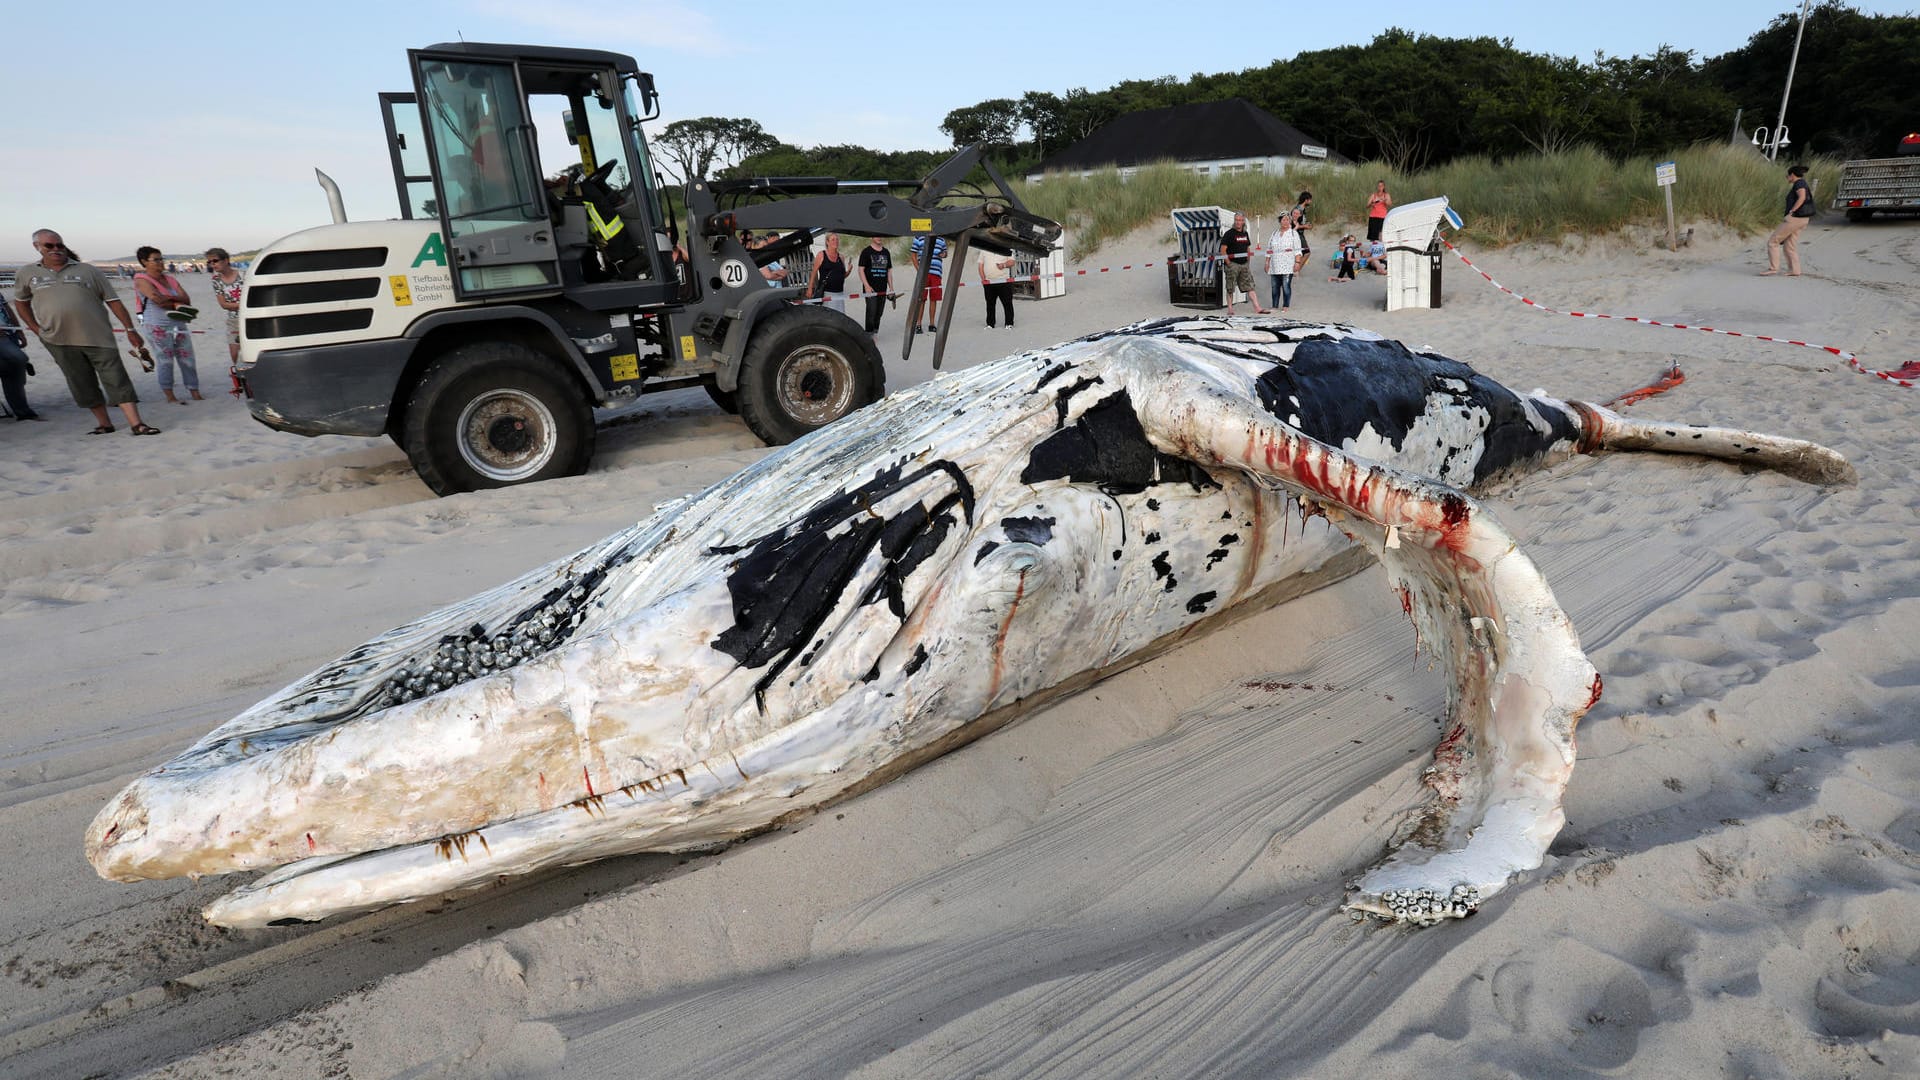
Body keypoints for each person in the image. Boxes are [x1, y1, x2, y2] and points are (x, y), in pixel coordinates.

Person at [133, 246, 201, 403]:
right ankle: (170, 395)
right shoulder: (141, 280)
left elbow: (186, 299)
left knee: (187, 358)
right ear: (144, 262)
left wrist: (168, 298)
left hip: (179, 323)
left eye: (161, 258)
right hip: (157, 325)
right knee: (165, 360)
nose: (160, 262)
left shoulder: (170, 279)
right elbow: (157, 300)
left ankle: (194, 390)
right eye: (155, 260)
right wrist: (175, 300)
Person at [1764, 164, 1815, 277]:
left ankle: (1773, 268)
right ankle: (1795, 270)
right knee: (1789, 245)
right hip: (1803, 219)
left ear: (1792, 175)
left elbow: (1802, 197)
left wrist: (1792, 211)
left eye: (1787, 176)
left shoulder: (1799, 183)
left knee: (1773, 241)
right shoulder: (1802, 183)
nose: (1787, 178)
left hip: (1795, 219)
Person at [206, 247, 245, 393]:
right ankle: (241, 378)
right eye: (210, 262)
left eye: (215, 260)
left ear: (226, 260)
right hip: (234, 319)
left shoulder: (242, 275)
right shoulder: (216, 280)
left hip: (250, 317)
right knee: (234, 352)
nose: (213, 264)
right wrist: (241, 305)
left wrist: (241, 306)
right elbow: (223, 304)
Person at [0, 299, 45, 420]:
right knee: (19, 359)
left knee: (14, 372)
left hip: (9, 334)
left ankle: (23, 411)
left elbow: (7, 309)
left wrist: (19, 331)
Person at [1219, 212, 1268, 316]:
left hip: (1244, 264)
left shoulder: (1245, 234)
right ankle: (1230, 309)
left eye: (1240, 220)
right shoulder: (1229, 234)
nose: (1238, 222)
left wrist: (1248, 261)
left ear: (1243, 221)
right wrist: (1228, 263)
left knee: (1250, 286)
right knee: (1230, 287)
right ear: (1234, 221)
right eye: (1236, 220)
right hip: (1232, 264)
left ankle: (1257, 307)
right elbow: (1223, 250)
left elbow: (1248, 248)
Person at [909, 234, 948, 333]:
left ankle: (932, 324)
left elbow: (945, 252)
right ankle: (918, 325)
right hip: (923, 273)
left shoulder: (941, 238)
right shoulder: (919, 237)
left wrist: (943, 254)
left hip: (936, 273)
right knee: (921, 299)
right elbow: (913, 254)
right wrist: (919, 270)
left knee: (934, 299)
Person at [1266, 210, 1302, 312]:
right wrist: (1267, 262)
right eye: (1283, 220)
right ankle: (1275, 306)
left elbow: (1298, 250)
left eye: (1287, 220)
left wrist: (1297, 262)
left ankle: (1286, 305)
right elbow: (1269, 249)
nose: (1285, 222)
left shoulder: (1293, 233)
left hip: (1288, 264)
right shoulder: (1274, 234)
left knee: (1286, 286)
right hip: (1275, 264)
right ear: (1280, 221)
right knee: (1274, 286)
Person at [857, 236, 893, 334]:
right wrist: (866, 285)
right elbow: (861, 270)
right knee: (871, 311)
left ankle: (875, 332)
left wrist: (891, 288)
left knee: (879, 313)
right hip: (870, 289)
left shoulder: (886, 252)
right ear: (871, 237)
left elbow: (889, 271)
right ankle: (869, 334)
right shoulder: (866, 252)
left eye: (881, 235)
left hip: (882, 288)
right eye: (876, 235)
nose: (879, 237)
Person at [807, 233, 849, 314]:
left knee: (840, 316)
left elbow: (842, 276)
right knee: (827, 316)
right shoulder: (821, 255)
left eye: (837, 239)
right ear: (827, 242)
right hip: (826, 293)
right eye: (833, 239)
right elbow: (814, 273)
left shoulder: (841, 257)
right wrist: (810, 288)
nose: (836, 241)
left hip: (840, 293)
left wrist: (849, 271)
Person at [978, 247, 1016, 329]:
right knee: (990, 304)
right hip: (989, 282)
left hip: (1004, 281)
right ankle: (990, 324)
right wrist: (983, 279)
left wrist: (1004, 265)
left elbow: (1012, 262)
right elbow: (980, 265)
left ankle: (1009, 323)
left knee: (1007, 303)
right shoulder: (984, 249)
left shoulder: (1006, 248)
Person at [1291, 191, 1315, 273]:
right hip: (1297, 234)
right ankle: (1296, 271)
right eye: (1310, 200)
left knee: (1299, 253)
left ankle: (1295, 270)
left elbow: (1300, 222)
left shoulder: (1303, 210)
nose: (1310, 202)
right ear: (1306, 200)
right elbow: (1292, 225)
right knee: (1307, 253)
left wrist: (1307, 225)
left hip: (1300, 234)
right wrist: (1304, 226)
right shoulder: (1297, 210)